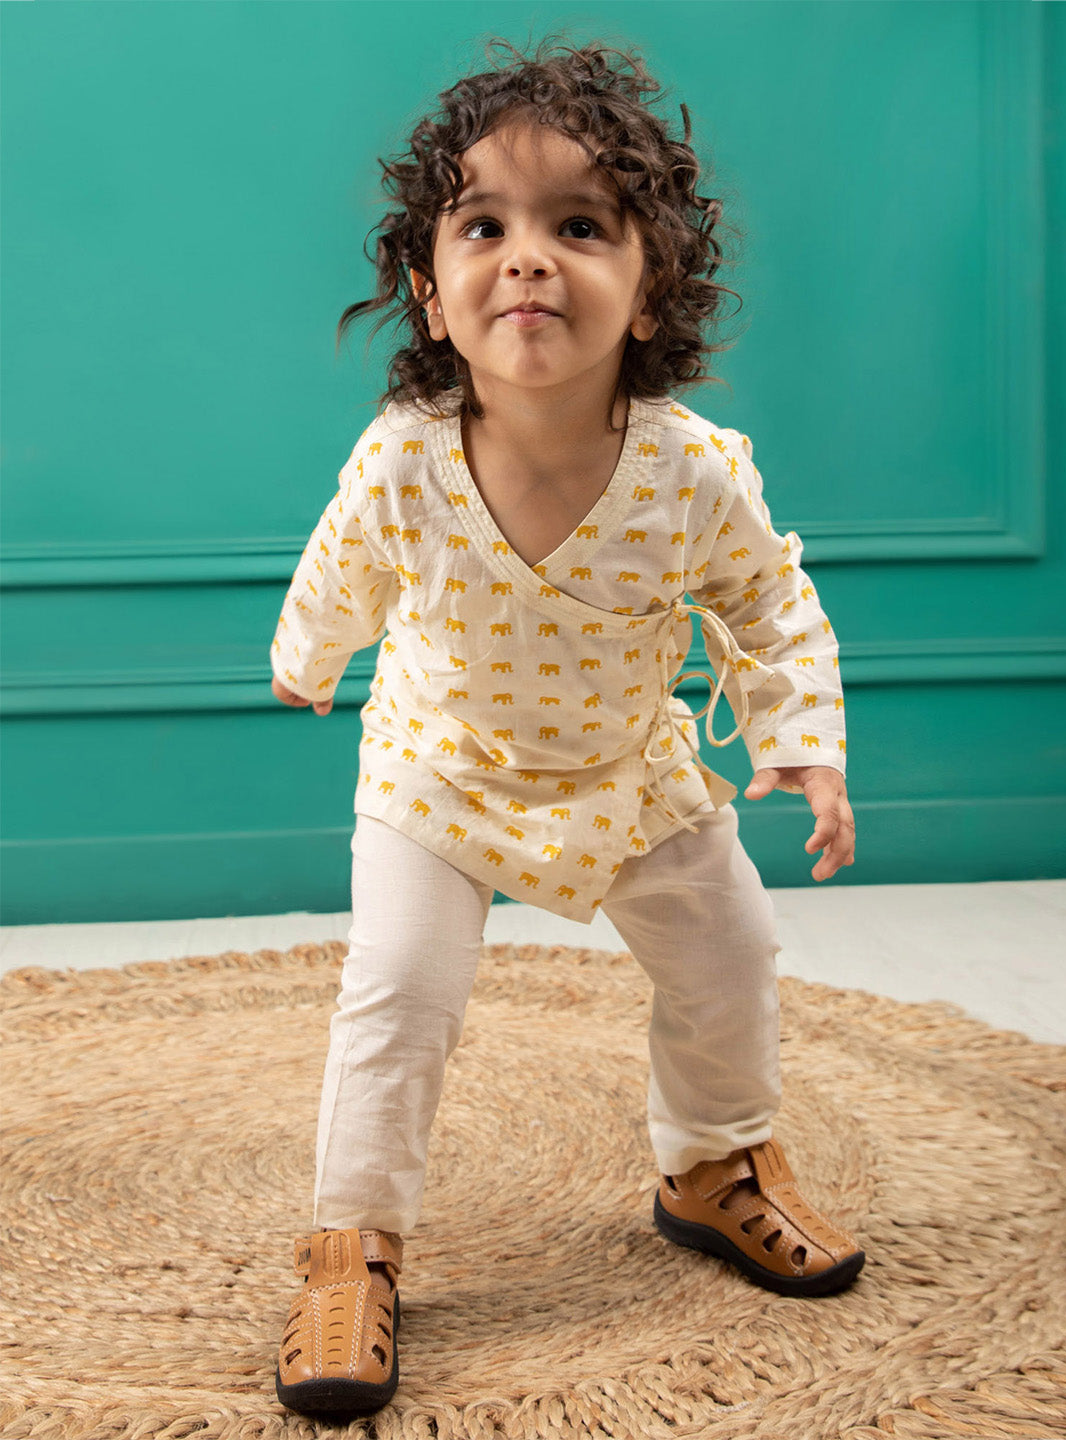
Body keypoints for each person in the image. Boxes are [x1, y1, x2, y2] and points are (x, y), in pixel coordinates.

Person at [269, 35, 861, 1421]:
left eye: (580, 227)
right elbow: (340, 568)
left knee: (731, 952)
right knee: (397, 995)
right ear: (433, 292)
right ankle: (352, 1242)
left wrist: (804, 741)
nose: (529, 258)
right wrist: (309, 660)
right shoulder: (404, 456)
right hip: (438, 773)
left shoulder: (692, 470)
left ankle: (712, 1163)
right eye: (485, 225)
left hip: (624, 770)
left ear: (651, 292)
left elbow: (770, 605)